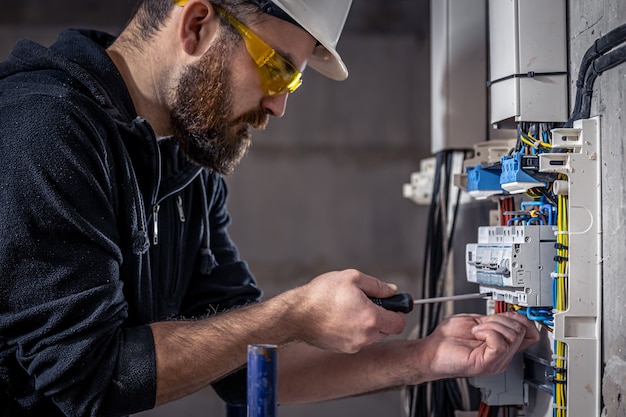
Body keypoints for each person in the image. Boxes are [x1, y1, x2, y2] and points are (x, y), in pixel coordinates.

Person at [0, 0, 540, 415]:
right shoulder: (45, 131)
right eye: (277, 68)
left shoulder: (186, 165)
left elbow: (244, 363)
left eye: (294, 81)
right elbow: (89, 378)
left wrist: (423, 359)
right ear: (196, 25)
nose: (279, 104)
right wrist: (294, 313)